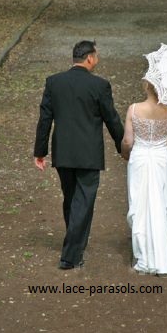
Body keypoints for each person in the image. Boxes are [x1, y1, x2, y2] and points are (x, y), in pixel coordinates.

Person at [34, 40, 124, 269]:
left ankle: (75, 248)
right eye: (97, 56)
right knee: (82, 203)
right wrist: (123, 145)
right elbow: (111, 119)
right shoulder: (99, 86)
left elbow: (45, 119)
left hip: (63, 153)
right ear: (90, 58)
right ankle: (70, 256)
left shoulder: (54, 83)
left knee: (71, 201)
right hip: (89, 154)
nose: (98, 60)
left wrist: (40, 151)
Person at [121, 80, 167, 276]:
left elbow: (128, 140)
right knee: (162, 202)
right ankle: (160, 249)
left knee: (139, 203)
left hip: (139, 158)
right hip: (161, 159)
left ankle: (142, 254)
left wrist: (124, 151)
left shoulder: (134, 109)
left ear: (146, 86)